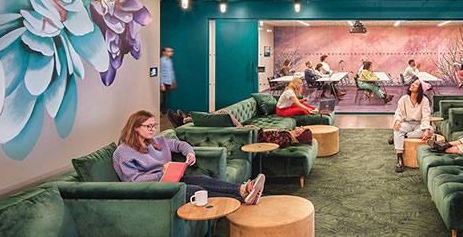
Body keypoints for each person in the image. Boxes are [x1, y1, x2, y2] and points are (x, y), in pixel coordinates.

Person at [113, 110, 265, 204]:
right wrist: (161, 174)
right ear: (135, 128)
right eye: (149, 126)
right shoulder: (123, 152)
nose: (153, 130)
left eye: (154, 126)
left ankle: (244, 189)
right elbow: (132, 181)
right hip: (152, 189)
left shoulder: (157, 141)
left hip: (169, 180)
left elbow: (179, 145)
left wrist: (189, 152)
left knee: (203, 179)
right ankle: (242, 198)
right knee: (196, 190)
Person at [213, 110, 315, 147]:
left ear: (299, 135)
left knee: (224, 113)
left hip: (247, 134)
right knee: (224, 115)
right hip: (250, 131)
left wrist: (255, 129)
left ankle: (207, 121)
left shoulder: (285, 138)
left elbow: (266, 140)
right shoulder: (288, 134)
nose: (301, 127)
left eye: (303, 129)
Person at [392, 81, 432, 172]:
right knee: (398, 129)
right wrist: (397, 121)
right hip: (407, 123)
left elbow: (426, 116)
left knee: (431, 130)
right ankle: (399, 159)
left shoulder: (424, 100)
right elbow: (399, 113)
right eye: (412, 83)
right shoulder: (403, 99)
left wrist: (426, 130)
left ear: (421, 89)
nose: (412, 85)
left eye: (416, 84)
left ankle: (402, 136)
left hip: (419, 124)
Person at [160, 46, 176, 115]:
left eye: (171, 51)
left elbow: (171, 71)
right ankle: (161, 112)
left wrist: (173, 81)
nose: (171, 53)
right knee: (163, 99)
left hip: (169, 82)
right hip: (164, 82)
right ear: (163, 52)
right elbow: (160, 72)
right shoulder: (161, 61)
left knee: (166, 99)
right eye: (169, 51)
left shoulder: (169, 60)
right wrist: (161, 84)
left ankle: (164, 112)